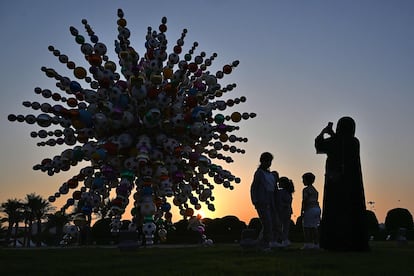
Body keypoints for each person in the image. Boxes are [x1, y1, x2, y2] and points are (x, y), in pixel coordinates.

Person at [315, 116, 369, 251]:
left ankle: (333, 242)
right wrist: (333, 135)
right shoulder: (355, 142)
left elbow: (320, 145)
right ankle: (355, 242)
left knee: (335, 212)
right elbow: (342, 143)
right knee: (351, 211)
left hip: (335, 183)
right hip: (352, 185)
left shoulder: (334, 141)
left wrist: (324, 132)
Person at [250, 152, 277, 250]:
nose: (269, 163)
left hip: (271, 201)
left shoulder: (271, 174)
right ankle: (264, 244)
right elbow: (254, 187)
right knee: (267, 223)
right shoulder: (259, 173)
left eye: (270, 161)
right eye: (267, 161)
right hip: (262, 200)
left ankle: (262, 243)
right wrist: (255, 200)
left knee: (272, 223)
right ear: (262, 161)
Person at [301, 172, 321, 249]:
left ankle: (307, 244)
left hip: (310, 209)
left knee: (306, 227)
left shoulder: (306, 190)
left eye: (303, 180)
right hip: (317, 208)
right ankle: (316, 244)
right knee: (314, 227)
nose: (303, 181)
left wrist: (302, 210)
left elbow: (304, 201)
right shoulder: (315, 190)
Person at [277, 176, 294, 247]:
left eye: (279, 183)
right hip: (288, 210)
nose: (278, 184)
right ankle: (285, 239)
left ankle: (281, 240)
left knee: (279, 226)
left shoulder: (281, 192)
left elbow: (279, 202)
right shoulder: (289, 192)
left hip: (282, 211)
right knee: (286, 227)